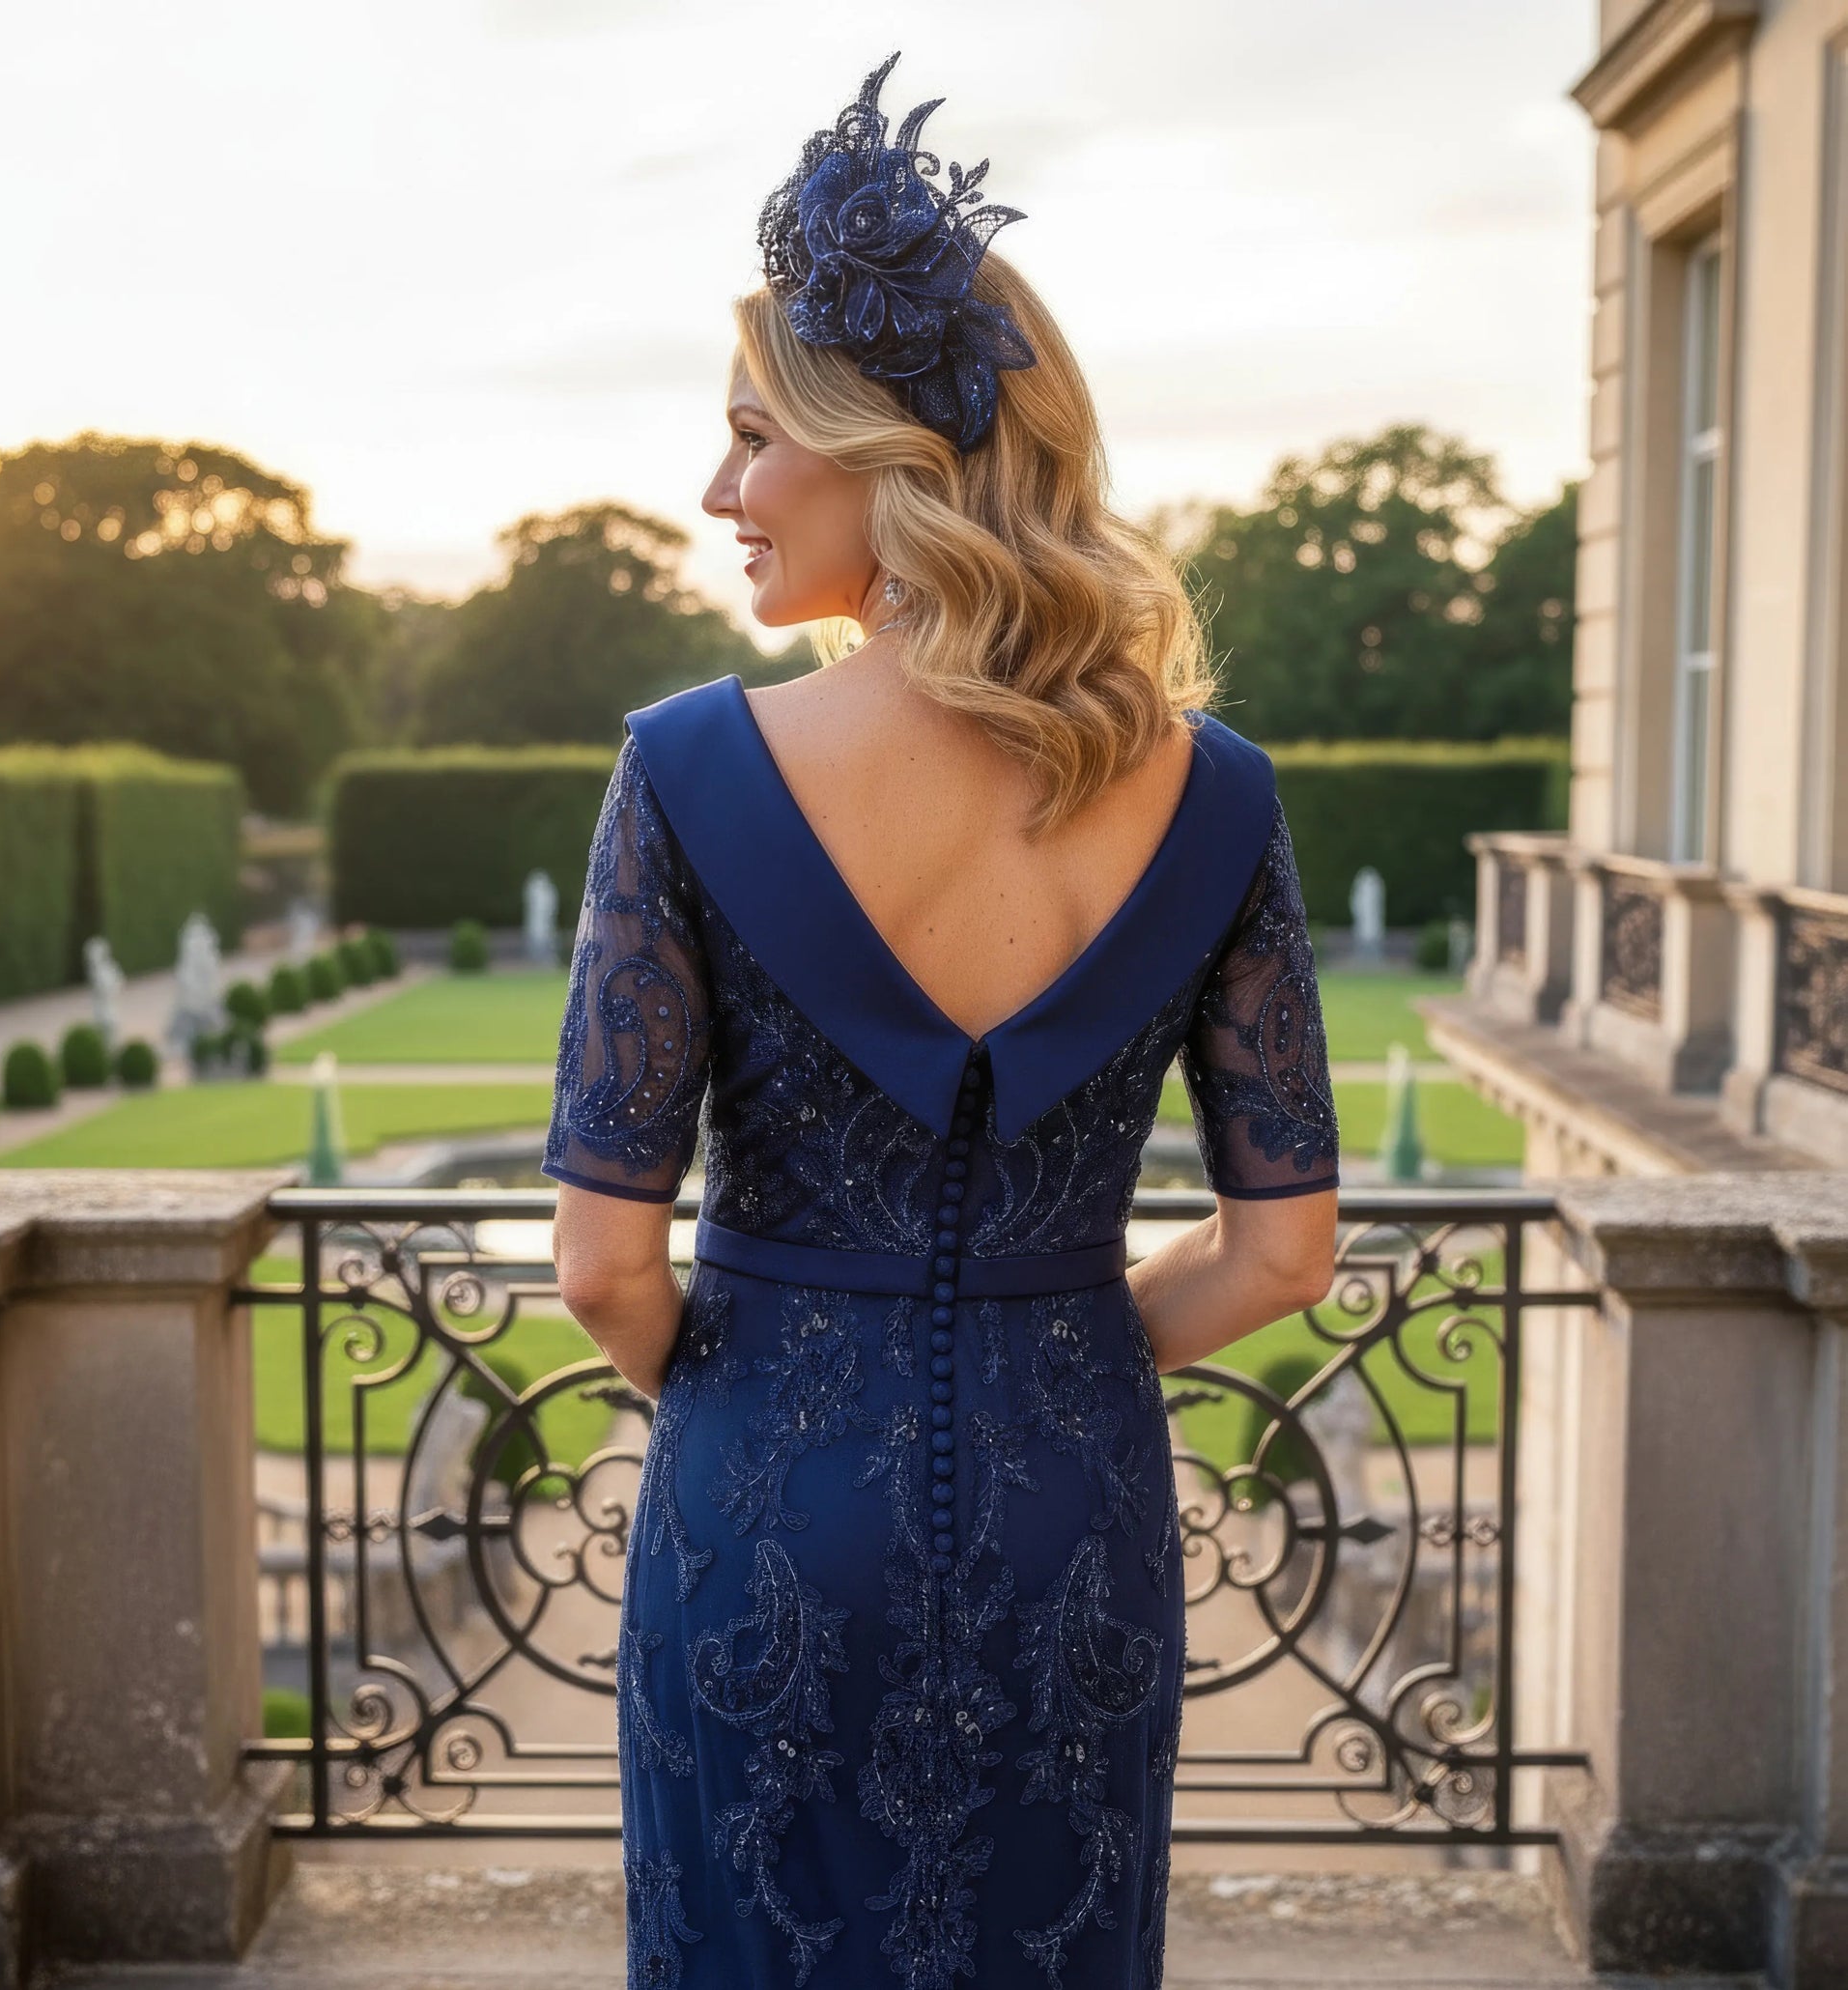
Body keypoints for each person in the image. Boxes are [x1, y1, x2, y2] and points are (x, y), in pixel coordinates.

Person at [546, 50, 1340, 1990]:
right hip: (1075, 1488)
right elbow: (1285, 1251)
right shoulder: (1214, 790)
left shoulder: (686, 769)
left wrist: (756, 1402)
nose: (719, 488)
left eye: (752, 436)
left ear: (885, 455)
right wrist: (1058, 1343)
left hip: (761, 1487)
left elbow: (597, 1269)